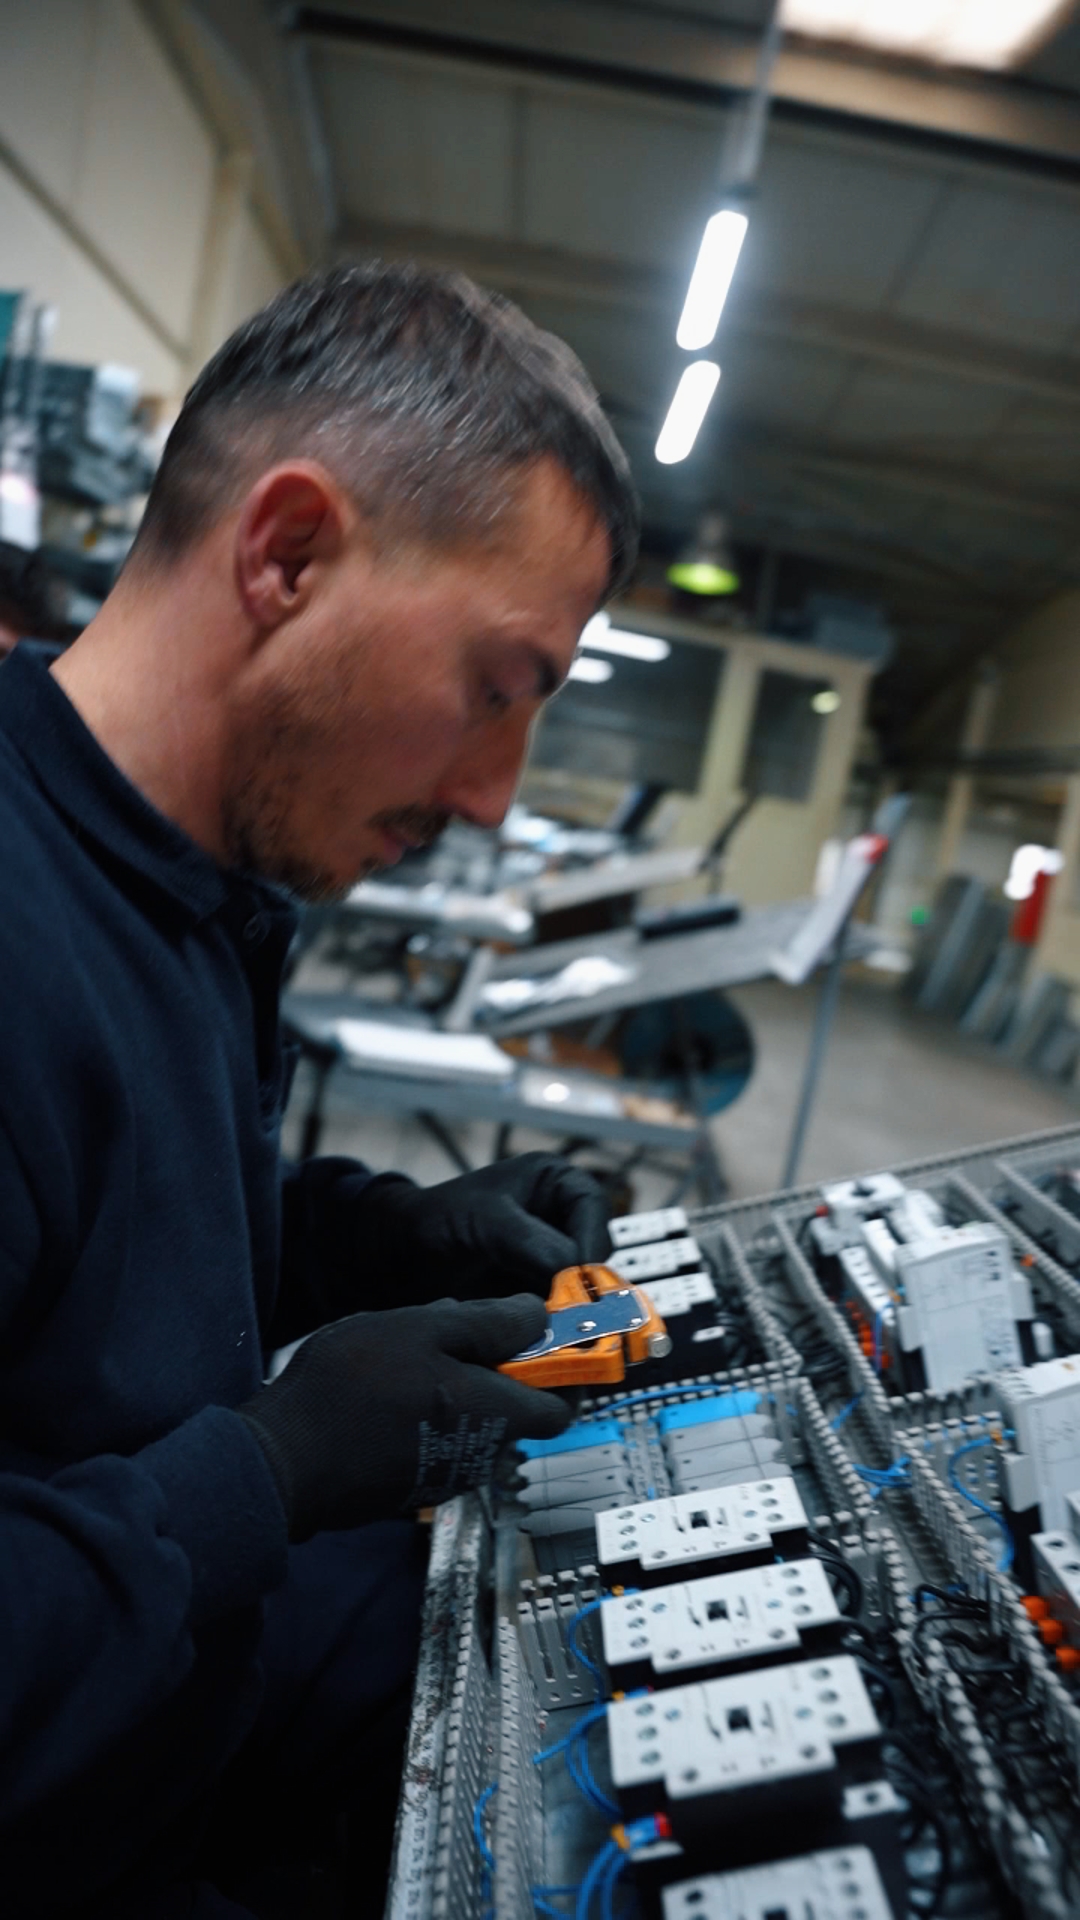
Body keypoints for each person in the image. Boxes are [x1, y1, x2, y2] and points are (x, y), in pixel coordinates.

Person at [0, 263, 639, 1918]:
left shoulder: (189, 883)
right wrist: (273, 1468)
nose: (495, 798)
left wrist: (375, 1239)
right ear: (286, 554)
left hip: (176, 1681)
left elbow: (93, 1250)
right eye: (494, 688)